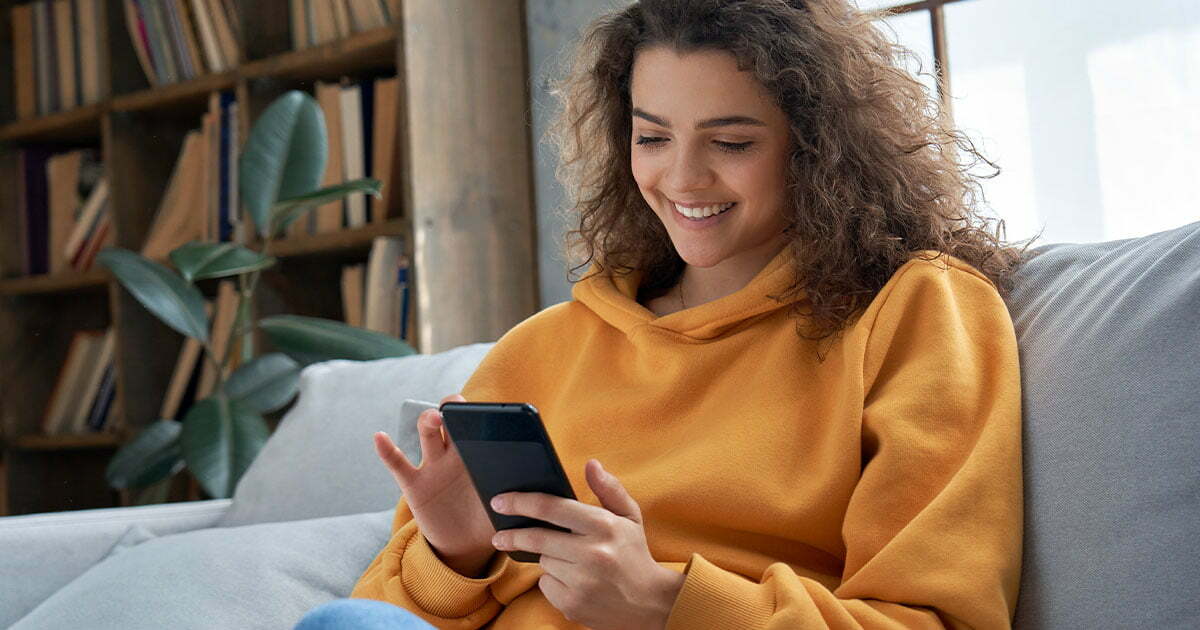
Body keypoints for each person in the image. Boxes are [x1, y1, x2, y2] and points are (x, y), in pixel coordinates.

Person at [297, 0, 1032, 628]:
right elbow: (382, 616)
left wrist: (664, 601)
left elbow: (931, 619)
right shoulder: (544, 348)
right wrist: (454, 554)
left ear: (817, 148)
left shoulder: (914, 312)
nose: (682, 178)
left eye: (732, 141)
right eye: (652, 137)